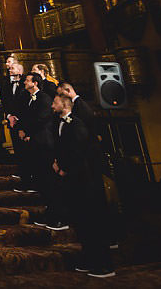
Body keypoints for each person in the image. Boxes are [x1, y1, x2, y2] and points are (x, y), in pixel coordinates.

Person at [53, 92, 114, 278]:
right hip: (74, 183)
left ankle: (104, 265)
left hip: (84, 182)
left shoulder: (77, 124)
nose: (51, 105)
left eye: (54, 102)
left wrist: (63, 169)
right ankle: (89, 259)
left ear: (64, 105)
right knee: (82, 224)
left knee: (93, 223)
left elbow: (79, 153)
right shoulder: (61, 124)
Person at [16, 72, 59, 230]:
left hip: (44, 143)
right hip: (34, 142)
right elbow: (25, 116)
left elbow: (41, 119)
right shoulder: (28, 98)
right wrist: (22, 130)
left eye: (27, 80)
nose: (24, 82)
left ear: (35, 83)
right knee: (41, 179)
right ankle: (48, 212)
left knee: (48, 180)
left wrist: (27, 132)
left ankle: (55, 216)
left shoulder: (44, 98)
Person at [0, 55, 28, 173]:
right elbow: (5, 102)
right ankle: (22, 172)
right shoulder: (8, 85)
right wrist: (9, 116)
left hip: (24, 122)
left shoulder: (26, 85)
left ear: (20, 71)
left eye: (13, 68)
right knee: (17, 148)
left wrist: (18, 118)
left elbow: (26, 104)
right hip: (11, 121)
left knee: (26, 150)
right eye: (10, 68)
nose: (10, 70)